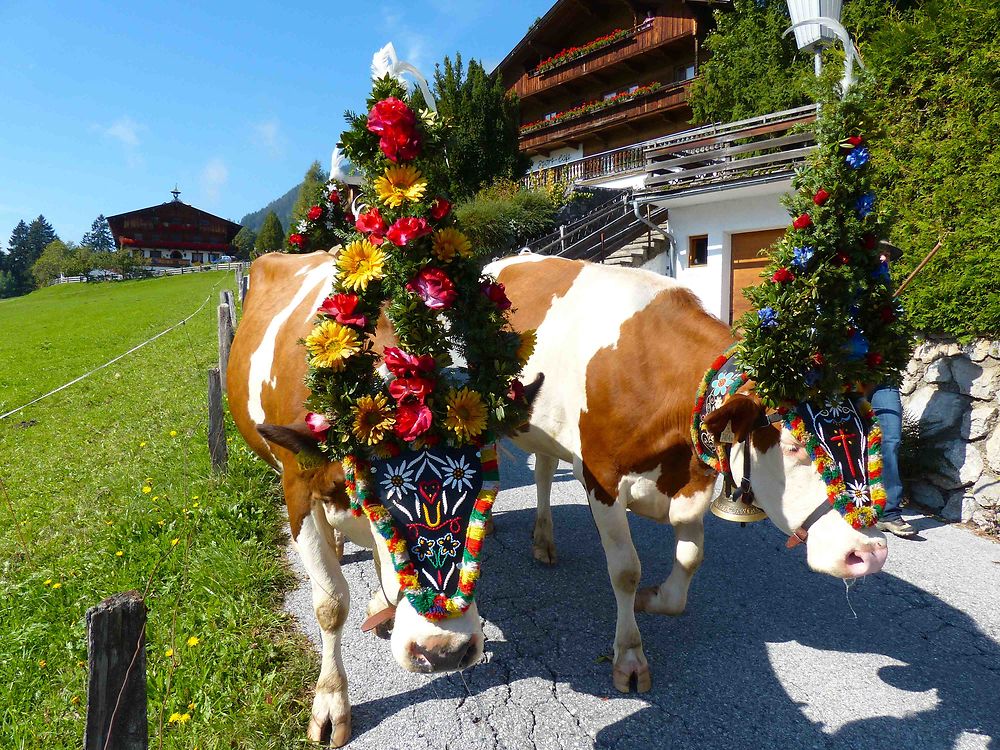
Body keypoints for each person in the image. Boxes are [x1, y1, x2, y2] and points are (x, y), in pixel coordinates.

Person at [871, 385, 915, 537]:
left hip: (884, 380)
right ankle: (844, 505)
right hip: (845, 376)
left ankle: (888, 513)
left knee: (891, 441)